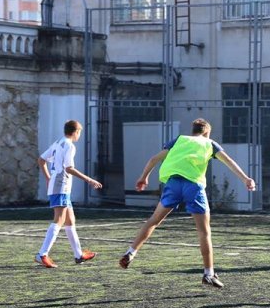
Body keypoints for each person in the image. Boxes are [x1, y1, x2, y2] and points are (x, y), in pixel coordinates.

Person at [119, 118, 256, 288]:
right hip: (193, 186)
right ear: (206, 132)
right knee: (204, 232)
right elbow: (228, 161)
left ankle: (131, 252)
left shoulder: (179, 140)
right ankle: (208, 274)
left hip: (173, 184)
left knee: (153, 220)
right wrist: (245, 179)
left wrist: (143, 177)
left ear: (193, 130)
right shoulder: (209, 143)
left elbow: (154, 159)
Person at [35, 120, 103, 268]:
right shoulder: (69, 145)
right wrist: (89, 180)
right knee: (59, 220)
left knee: (70, 221)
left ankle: (78, 255)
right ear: (76, 132)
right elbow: (69, 168)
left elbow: (41, 160)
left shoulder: (58, 142)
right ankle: (42, 254)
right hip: (61, 186)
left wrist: (48, 179)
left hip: (59, 186)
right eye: (80, 132)